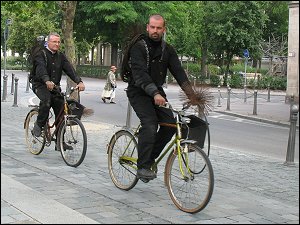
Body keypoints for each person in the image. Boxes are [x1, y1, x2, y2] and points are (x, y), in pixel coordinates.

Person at [125, 14, 198, 181]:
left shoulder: (168, 50)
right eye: (152, 27)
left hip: (157, 93)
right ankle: (142, 166)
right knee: (150, 125)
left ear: (164, 29)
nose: (155, 31)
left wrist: (192, 96)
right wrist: (155, 93)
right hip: (138, 92)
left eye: (159, 28)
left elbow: (179, 73)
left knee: (171, 125)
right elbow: (140, 74)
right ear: (147, 27)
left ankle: (150, 158)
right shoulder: (138, 47)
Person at [31, 32, 85, 150]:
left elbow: (70, 70)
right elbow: (41, 69)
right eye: (54, 41)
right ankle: (39, 126)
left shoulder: (61, 56)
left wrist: (79, 81)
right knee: (47, 101)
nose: (57, 44)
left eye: (58, 42)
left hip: (54, 87)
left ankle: (59, 142)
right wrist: (46, 80)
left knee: (62, 110)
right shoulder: (41, 54)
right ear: (48, 42)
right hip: (40, 85)